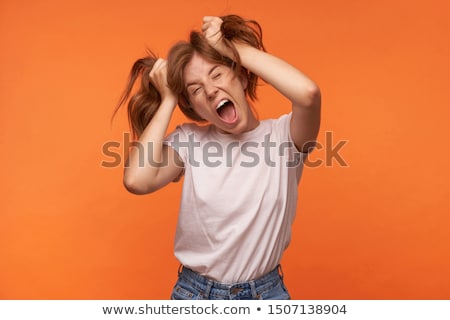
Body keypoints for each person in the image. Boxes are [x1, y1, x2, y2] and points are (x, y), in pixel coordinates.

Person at [114, 15, 321, 300]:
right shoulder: (190, 141)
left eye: (217, 73)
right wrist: (169, 99)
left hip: (265, 295)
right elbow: (136, 180)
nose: (210, 90)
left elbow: (308, 93)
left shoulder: (285, 138)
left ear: (242, 75)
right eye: (195, 89)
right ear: (195, 108)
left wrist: (232, 49)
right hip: (195, 295)